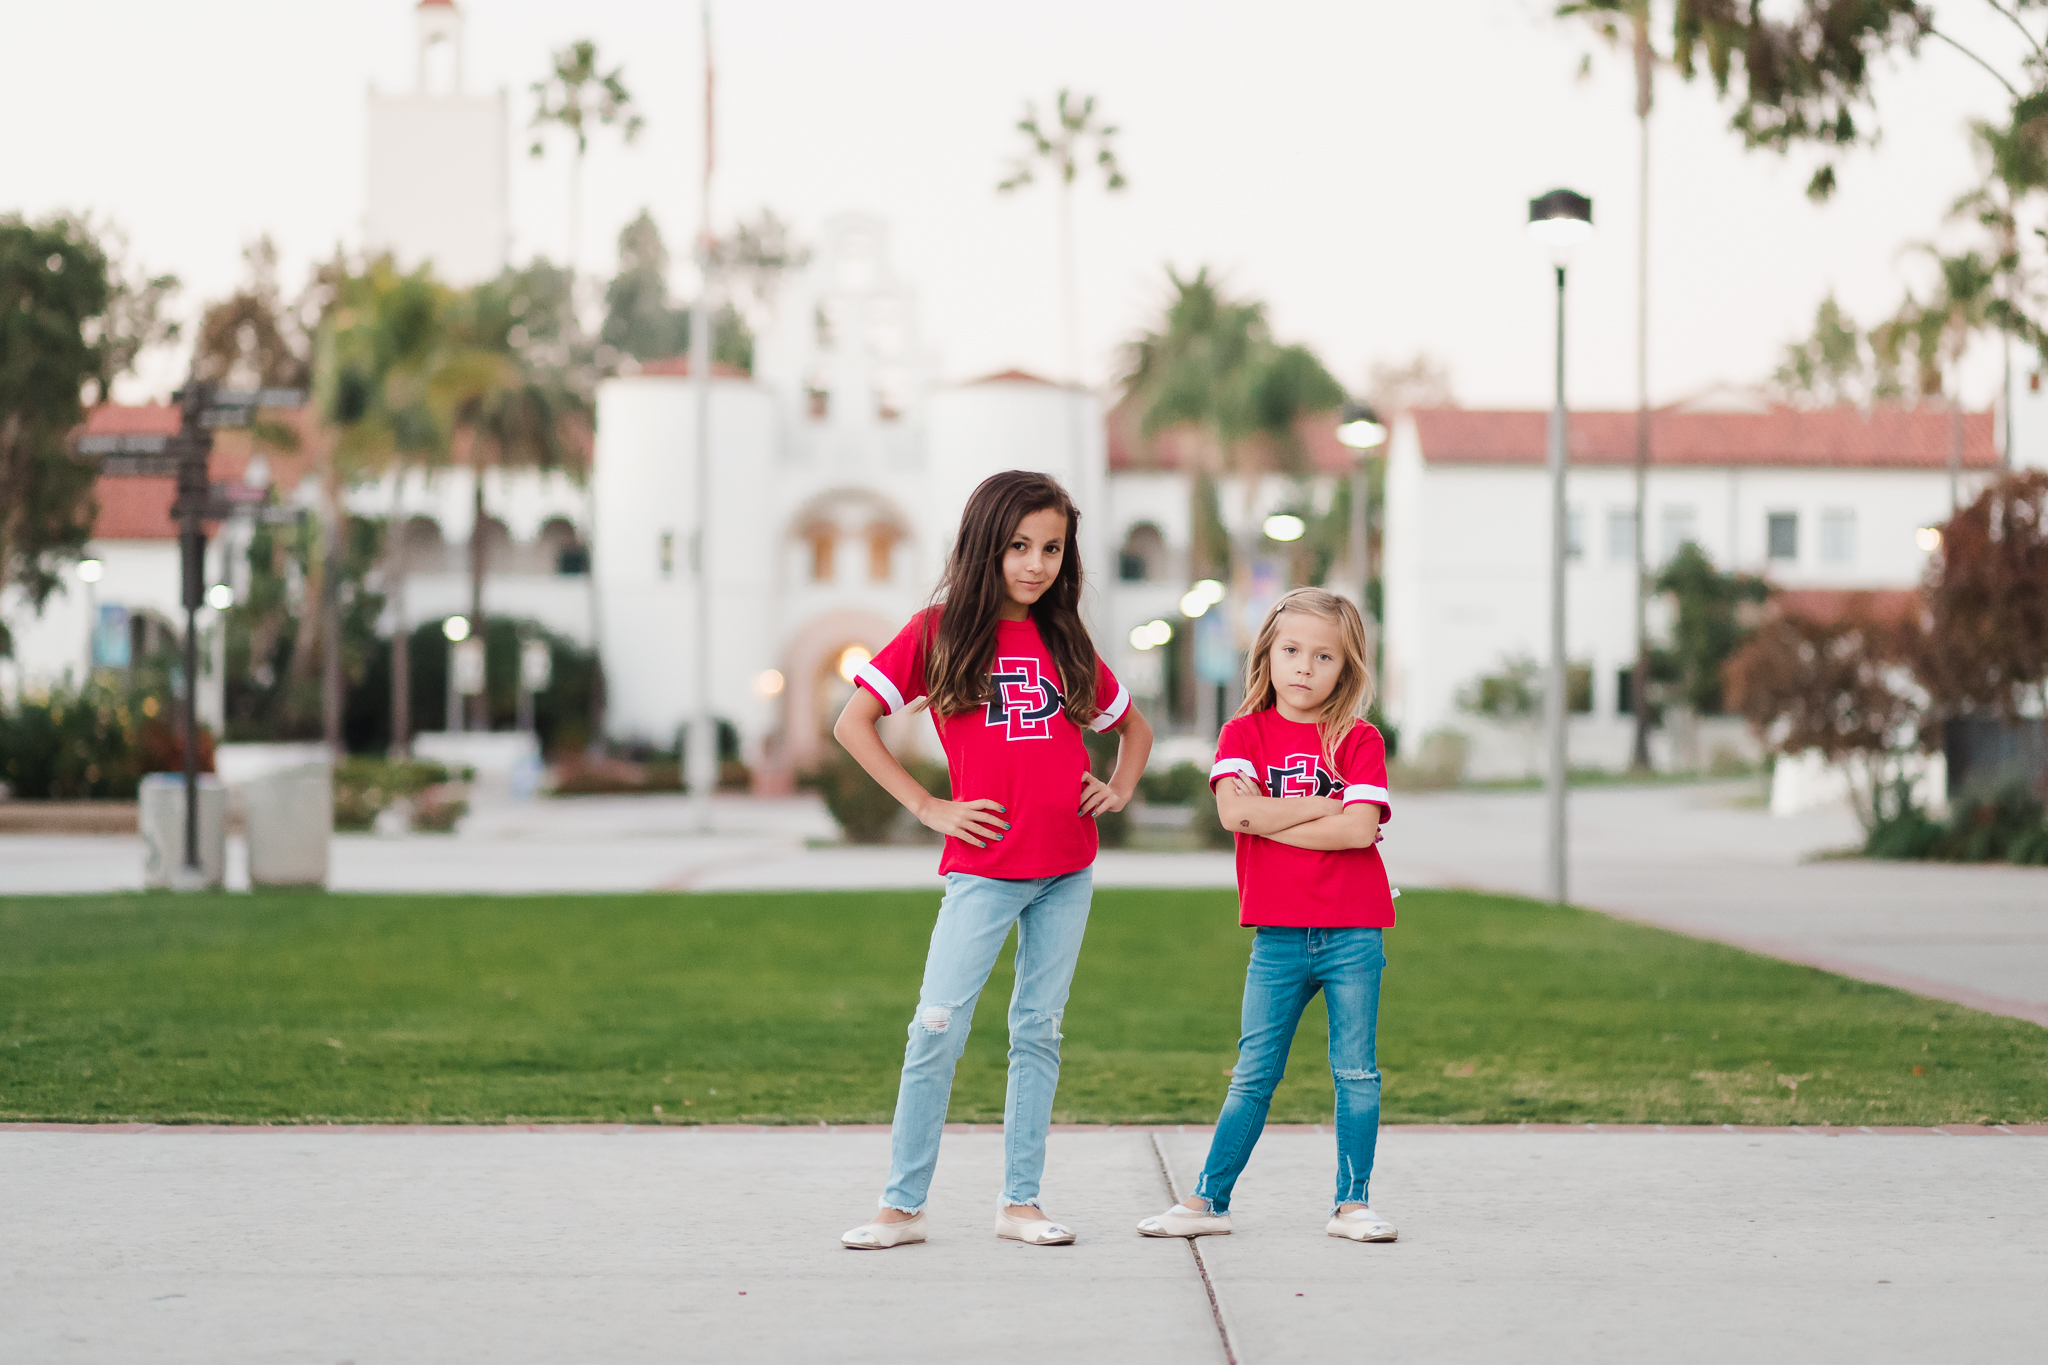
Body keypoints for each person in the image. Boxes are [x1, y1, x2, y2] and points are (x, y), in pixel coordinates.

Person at [837, 470, 1153, 1251]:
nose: (1036, 563)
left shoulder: (1066, 637)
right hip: (982, 869)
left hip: (1066, 870)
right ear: (986, 545)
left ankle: (1021, 1203)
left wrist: (1115, 788)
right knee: (935, 1027)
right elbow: (854, 722)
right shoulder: (937, 629)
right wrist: (927, 805)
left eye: (1051, 548)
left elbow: (1133, 730)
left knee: (1038, 1031)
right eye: (1019, 545)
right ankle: (901, 1207)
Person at [1137, 587, 1399, 1245]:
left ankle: (1352, 1204)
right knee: (1254, 1073)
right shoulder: (1242, 733)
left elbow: (1360, 832)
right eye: (1291, 650)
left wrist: (1277, 816)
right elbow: (1235, 814)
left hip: (1353, 932)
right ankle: (1207, 1201)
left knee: (1356, 1072)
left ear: (1348, 667)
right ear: (1268, 654)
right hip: (1277, 937)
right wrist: (1324, 805)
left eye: (1323, 656)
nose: (1304, 666)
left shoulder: (1360, 739)